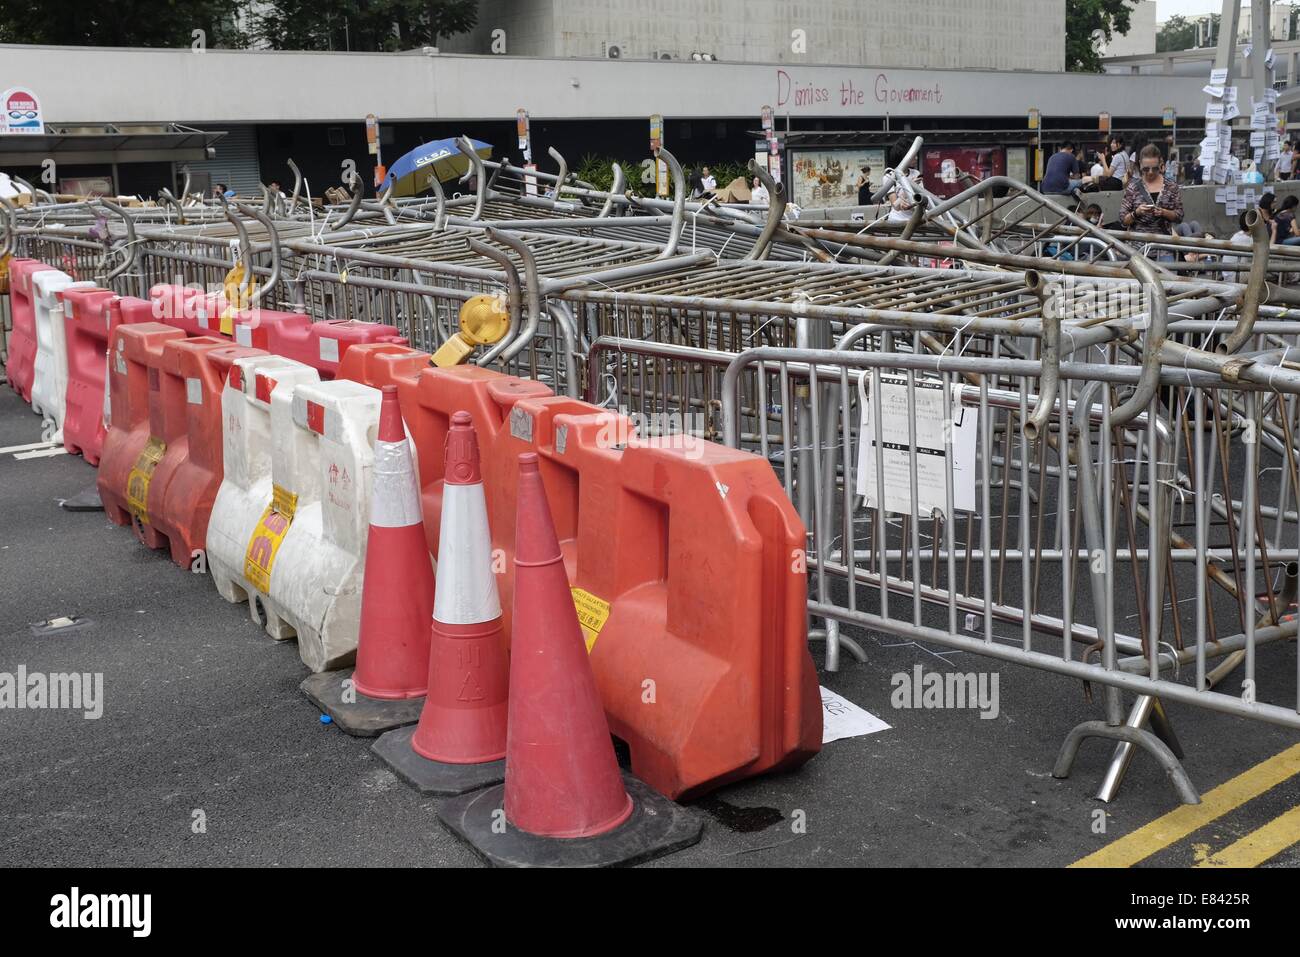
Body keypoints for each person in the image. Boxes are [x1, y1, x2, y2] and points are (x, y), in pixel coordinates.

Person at [1119, 144, 1183, 238]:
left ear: (1160, 163)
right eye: (1146, 169)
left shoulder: (1171, 186)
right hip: (1138, 246)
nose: (1150, 172)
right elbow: (1123, 220)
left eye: (1155, 168)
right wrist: (1136, 213)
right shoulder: (1132, 188)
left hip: (1165, 245)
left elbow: (1179, 216)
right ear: (1140, 164)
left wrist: (1164, 212)